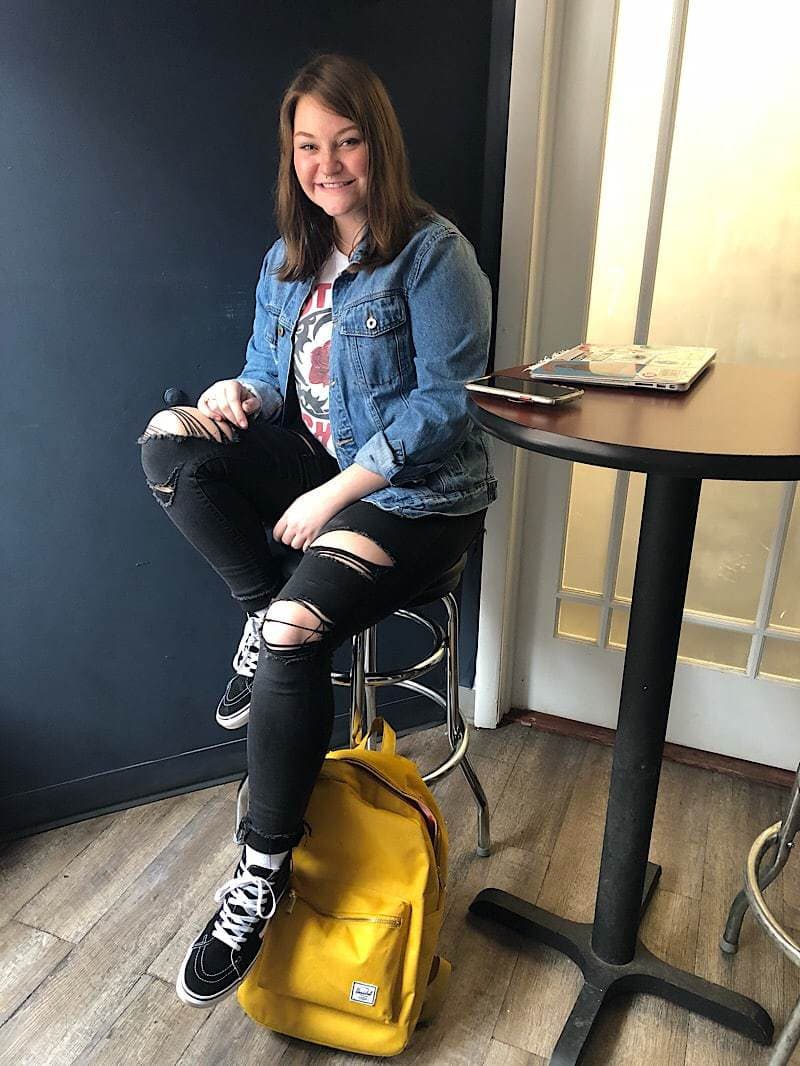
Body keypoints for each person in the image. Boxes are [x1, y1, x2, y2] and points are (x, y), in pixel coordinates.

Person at [139, 52, 496, 1008]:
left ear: (378, 145)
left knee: (303, 635)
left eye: (346, 142)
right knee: (171, 443)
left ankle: (258, 878)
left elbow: (447, 405)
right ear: (291, 155)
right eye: (308, 145)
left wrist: (335, 496)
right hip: (321, 468)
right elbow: (271, 374)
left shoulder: (433, 253)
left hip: (420, 498)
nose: (327, 163)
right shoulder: (287, 259)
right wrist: (237, 394)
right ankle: (264, 612)